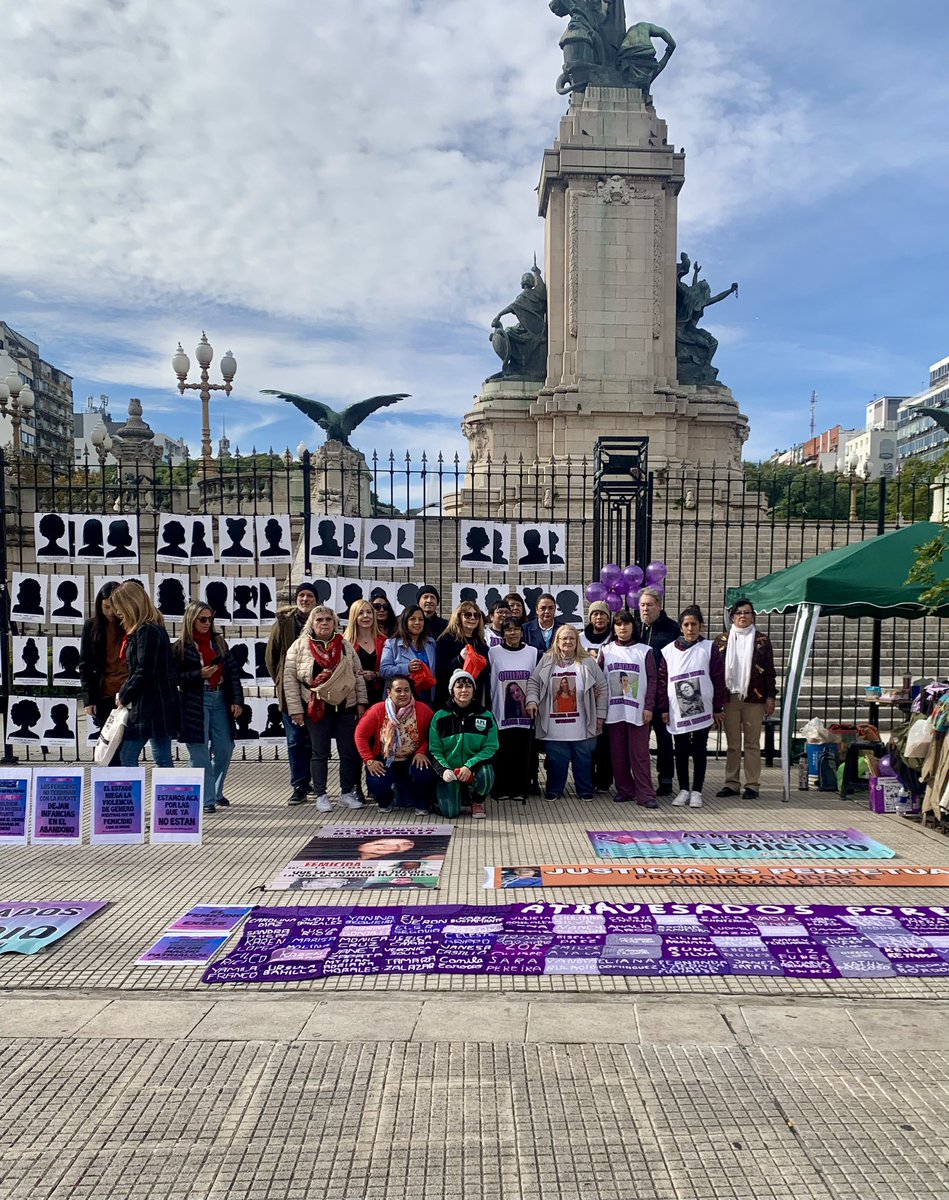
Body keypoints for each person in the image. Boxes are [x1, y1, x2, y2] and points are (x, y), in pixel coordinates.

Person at [283, 605, 367, 812]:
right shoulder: (299, 646)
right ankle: (321, 794)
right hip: (316, 705)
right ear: (312, 623)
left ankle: (346, 792)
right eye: (319, 619)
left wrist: (361, 703)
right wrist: (295, 709)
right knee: (319, 752)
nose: (324, 623)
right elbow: (290, 679)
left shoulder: (345, 646)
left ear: (335, 623)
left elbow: (357, 675)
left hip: (345, 706)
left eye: (328, 619)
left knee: (348, 752)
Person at [173, 602, 244, 814]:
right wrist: (198, 675)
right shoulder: (180, 647)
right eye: (202, 619)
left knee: (224, 748)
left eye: (210, 619)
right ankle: (206, 800)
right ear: (191, 620)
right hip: (195, 699)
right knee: (199, 751)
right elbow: (173, 677)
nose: (207, 623)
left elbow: (232, 673)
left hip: (220, 696)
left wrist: (237, 700)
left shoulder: (219, 642)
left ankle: (214, 790)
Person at [526, 624, 607, 801]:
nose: (568, 641)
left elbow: (602, 687)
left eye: (572, 638)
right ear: (557, 641)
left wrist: (600, 714)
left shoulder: (587, 662)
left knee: (583, 759)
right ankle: (554, 789)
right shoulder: (547, 660)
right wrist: (532, 700)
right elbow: (533, 682)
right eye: (564, 638)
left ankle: (584, 789)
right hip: (554, 725)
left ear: (577, 641)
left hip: (582, 723)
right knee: (556, 760)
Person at [657, 604, 727, 809]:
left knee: (699, 749)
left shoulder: (709, 648)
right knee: (680, 749)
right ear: (680, 627)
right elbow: (663, 681)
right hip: (677, 709)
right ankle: (683, 789)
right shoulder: (668, 651)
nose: (690, 629)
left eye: (694, 624)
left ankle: (697, 790)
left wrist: (717, 708)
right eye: (686, 625)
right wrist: (663, 709)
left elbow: (718, 677)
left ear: (701, 626)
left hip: (702, 709)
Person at [714, 598, 777, 800]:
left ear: (753, 616)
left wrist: (770, 696)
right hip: (730, 697)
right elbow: (715, 671)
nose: (743, 616)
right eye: (739, 613)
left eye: (747, 612)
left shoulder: (762, 641)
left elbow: (769, 671)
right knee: (732, 744)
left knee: (752, 743)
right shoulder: (721, 641)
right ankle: (731, 783)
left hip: (754, 697)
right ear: (732, 616)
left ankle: (752, 784)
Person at [110, 581, 178, 768]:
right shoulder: (154, 628)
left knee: (128, 755)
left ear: (131, 605)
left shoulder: (146, 630)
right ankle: (169, 794)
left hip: (148, 705)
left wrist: (124, 694)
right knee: (162, 755)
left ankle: (132, 796)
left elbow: (143, 669)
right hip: (160, 702)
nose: (118, 613)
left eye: (120, 608)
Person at [265, 583, 319, 805]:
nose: (305, 599)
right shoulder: (284, 623)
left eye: (310, 595)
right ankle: (299, 785)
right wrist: (280, 680)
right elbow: (271, 656)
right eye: (302, 595)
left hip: (317, 692)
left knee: (315, 741)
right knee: (295, 740)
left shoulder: (322, 620)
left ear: (316, 600)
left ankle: (317, 782)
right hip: (290, 690)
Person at [598, 609, 657, 806]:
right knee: (618, 754)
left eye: (626, 624)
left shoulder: (644, 650)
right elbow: (599, 679)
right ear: (614, 628)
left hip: (638, 710)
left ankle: (646, 794)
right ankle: (625, 789)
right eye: (618, 624)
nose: (622, 628)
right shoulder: (606, 651)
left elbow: (652, 680)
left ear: (633, 626)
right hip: (614, 711)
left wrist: (649, 706)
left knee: (640, 755)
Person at [355, 674, 434, 814]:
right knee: (377, 782)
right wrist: (369, 760)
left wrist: (422, 751)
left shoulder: (423, 710)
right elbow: (360, 735)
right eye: (398, 690)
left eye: (406, 690)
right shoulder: (377, 710)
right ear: (389, 692)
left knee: (424, 771)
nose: (403, 694)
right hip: (385, 758)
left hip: (412, 757)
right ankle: (385, 800)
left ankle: (421, 802)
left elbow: (433, 735)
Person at [429, 669, 499, 819]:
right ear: (451, 690)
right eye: (459, 686)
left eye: (468, 686)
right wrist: (444, 770)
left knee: (487, 773)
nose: (464, 690)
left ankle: (477, 801)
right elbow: (434, 749)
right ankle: (449, 796)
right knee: (450, 813)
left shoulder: (486, 716)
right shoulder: (440, 717)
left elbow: (491, 747)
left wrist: (469, 766)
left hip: (471, 770)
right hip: (450, 770)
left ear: (474, 690)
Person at [636, 587, 680, 796]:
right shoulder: (635, 628)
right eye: (642, 605)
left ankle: (665, 780)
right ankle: (641, 780)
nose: (645, 609)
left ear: (659, 606)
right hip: (639, 695)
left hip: (662, 694)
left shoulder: (672, 630)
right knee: (639, 741)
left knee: (663, 739)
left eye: (649, 605)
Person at [488, 619, 539, 801]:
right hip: (501, 712)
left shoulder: (532, 652)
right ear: (502, 633)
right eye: (508, 630)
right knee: (503, 751)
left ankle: (520, 788)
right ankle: (501, 788)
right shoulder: (493, 652)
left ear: (522, 632)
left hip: (526, 714)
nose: (513, 633)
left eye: (516, 629)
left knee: (522, 751)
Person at [80, 580, 129, 730]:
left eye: (114, 608)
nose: (110, 613)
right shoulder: (91, 626)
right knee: (107, 746)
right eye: (106, 607)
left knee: (126, 748)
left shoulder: (130, 625)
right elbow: (85, 664)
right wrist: (89, 700)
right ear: (99, 605)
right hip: (104, 694)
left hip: (128, 693)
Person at [580, 599, 615, 791]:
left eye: (602, 614)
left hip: (607, 695)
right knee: (586, 742)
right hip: (584, 697)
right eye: (595, 614)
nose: (599, 617)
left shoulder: (613, 638)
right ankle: (586, 778)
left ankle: (603, 780)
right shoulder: (580, 638)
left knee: (604, 741)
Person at [435, 603, 491, 707]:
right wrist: (459, 659)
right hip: (452, 698)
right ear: (458, 617)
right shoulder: (446, 639)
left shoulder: (480, 642)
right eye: (468, 615)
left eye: (476, 615)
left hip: (476, 696)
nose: (473, 618)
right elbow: (440, 669)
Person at [379, 606, 437, 704]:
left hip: (426, 699)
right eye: (412, 619)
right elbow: (384, 671)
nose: (417, 622)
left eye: (421, 619)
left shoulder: (430, 644)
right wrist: (407, 668)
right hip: (400, 701)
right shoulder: (392, 644)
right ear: (404, 622)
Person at [343, 599, 387, 707]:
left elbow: (389, 668)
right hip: (353, 696)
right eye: (360, 613)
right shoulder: (345, 642)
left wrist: (375, 674)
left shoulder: (384, 640)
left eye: (369, 612)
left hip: (379, 693)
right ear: (354, 617)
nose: (366, 616)